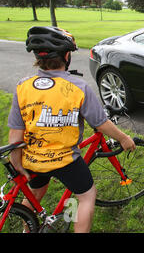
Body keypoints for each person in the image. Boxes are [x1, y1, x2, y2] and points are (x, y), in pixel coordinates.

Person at [7, 26, 136, 233]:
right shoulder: (78, 87)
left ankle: (27, 229)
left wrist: (17, 162)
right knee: (86, 197)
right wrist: (123, 138)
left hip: (33, 159)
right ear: (67, 56)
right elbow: (101, 123)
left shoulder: (23, 86)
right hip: (66, 160)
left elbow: (15, 132)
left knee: (34, 193)